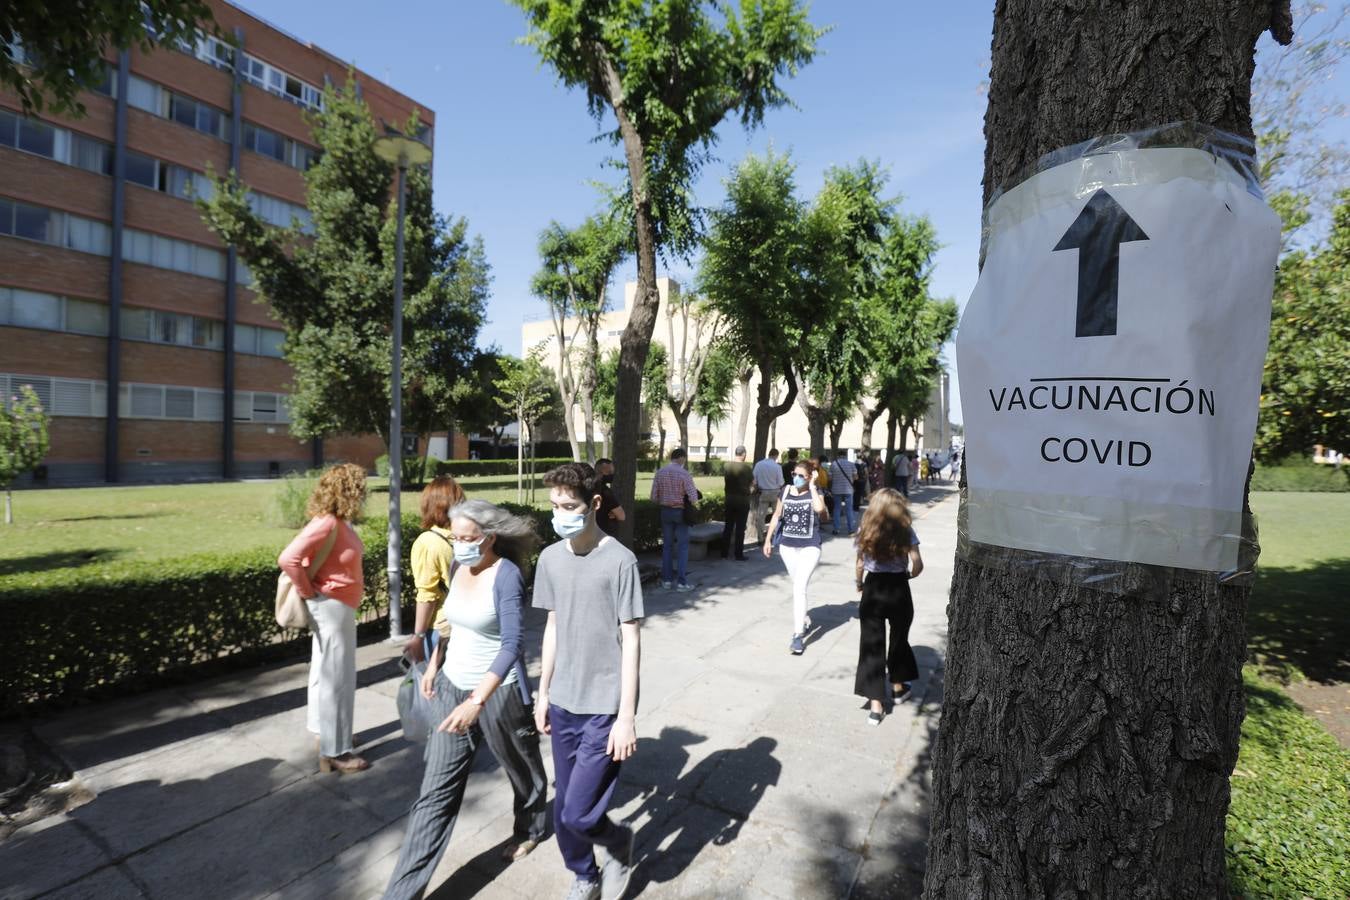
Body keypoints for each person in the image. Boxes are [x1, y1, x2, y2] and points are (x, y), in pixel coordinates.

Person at [384, 500, 548, 899]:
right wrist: (435, 663)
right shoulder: (458, 567)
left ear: (490, 538)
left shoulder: (506, 575)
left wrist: (478, 699)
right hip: (451, 690)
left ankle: (531, 827)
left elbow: (512, 645)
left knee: (521, 767)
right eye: (455, 537)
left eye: (467, 539)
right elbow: (450, 623)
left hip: (499, 693)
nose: (459, 545)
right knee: (434, 795)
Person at [534, 462, 644, 900]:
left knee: (579, 812)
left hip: (604, 705)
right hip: (562, 702)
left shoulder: (620, 561)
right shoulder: (550, 559)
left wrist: (627, 717)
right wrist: (542, 693)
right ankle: (584, 873)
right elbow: (552, 629)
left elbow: (632, 640)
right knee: (563, 810)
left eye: (569, 505)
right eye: (554, 506)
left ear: (594, 503)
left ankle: (617, 843)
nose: (560, 513)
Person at [278, 463, 370, 774]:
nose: (364, 493)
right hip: (331, 606)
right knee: (338, 679)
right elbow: (288, 558)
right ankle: (336, 750)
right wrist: (308, 592)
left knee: (324, 671)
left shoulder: (336, 522)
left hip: (335, 606)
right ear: (349, 491)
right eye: (360, 488)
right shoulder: (328, 523)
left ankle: (324, 733)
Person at [853, 488, 924, 726]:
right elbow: (917, 563)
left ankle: (875, 706)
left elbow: (860, 563)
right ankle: (897, 687)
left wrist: (859, 584)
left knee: (871, 646)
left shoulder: (866, 530)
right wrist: (910, 575)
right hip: (898, 588)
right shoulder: (906, 530)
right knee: (899, 639)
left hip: (873, 587)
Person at [762, 459, 826, 656]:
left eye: (801, 476)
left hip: (810, 547)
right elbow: (776, 515)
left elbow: (820, 511)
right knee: (799, 586)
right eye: (794, 474)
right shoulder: (786, 490)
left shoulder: (816, 492)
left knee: (799, 587)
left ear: (809, 477)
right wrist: (768, 539)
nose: (796, 478)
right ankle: (803, 620)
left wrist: (814, 487)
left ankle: (797, 635)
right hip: (787, 547)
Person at [405, 476, 466, 663]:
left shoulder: (428, 542)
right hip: (466, 625)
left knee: (433, 687)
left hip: (441, 629)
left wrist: (418, 636)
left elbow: (427, 596)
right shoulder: (466, 537)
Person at [650, 448, 699, 591]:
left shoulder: (660, 473)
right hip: (680, 512)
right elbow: (694, 498)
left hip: (665, 511)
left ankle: (666, 580)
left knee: (667, 546)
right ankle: (681, 583)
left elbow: (653, 497)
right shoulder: (685, 474)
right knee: (683, 547)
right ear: (682, 458)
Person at [721, 446, 754, 560]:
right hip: (742, 500)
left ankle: (724, 553)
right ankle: (738, 554)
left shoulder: (726, 465)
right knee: (740, 528)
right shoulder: (747, 468)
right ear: (744, 454)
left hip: (729, 498)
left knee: (728, 526)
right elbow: (753, 483)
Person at [751, 449, 785, 545]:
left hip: (763, 492)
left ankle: (760, 538)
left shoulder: (759, 464)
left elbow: (754, 480)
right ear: (776, 456)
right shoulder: (777, 467)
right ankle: (775, 536)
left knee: (761, 516)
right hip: (775, 492)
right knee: (777, 515)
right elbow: (781, 482)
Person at [595, 458, 627, 537]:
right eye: (609, 472)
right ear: (600, 472)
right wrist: (614, 513)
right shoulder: (606, 492)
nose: (612, 475)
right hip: (605, 533)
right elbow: (621, 516)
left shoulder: (587, 487)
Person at [829, 453, 858, 536]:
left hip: (836, 490)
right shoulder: (851, 464)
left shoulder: (833, 464)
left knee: (837, 509)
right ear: (845, 456)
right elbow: (856, 477)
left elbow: (830, 478)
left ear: (838, 456)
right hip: (849, 490)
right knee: (849, 509)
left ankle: (836, 529)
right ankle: (851, 530)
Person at [815, 453, 834, 522]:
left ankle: (825, 517)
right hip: (821, 488)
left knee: (827, 502)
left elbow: (828, 478)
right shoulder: (818, 468)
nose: (825, 463)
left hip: (824, 488)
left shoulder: (824, 468)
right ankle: (823, 518)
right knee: (827, 502)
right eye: (824, 462)